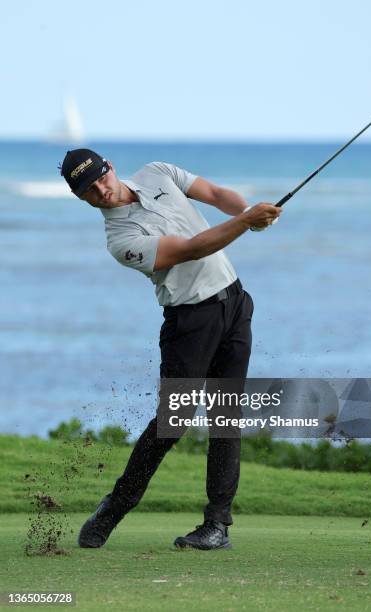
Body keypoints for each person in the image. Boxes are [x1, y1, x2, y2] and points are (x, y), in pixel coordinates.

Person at [60, 148, 281, 550]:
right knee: (172, 423)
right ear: (81, 199)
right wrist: (246, 222)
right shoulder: (120, 241)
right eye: (89, 192)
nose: (101, 191)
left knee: (226, 417)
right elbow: (193, 248)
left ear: (110, 166)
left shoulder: (157, 172)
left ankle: (217, 525)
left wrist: (250, 210)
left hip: (234, 303)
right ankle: (115, 507)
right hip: (189, 322)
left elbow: (214, 193)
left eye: (101, 179)